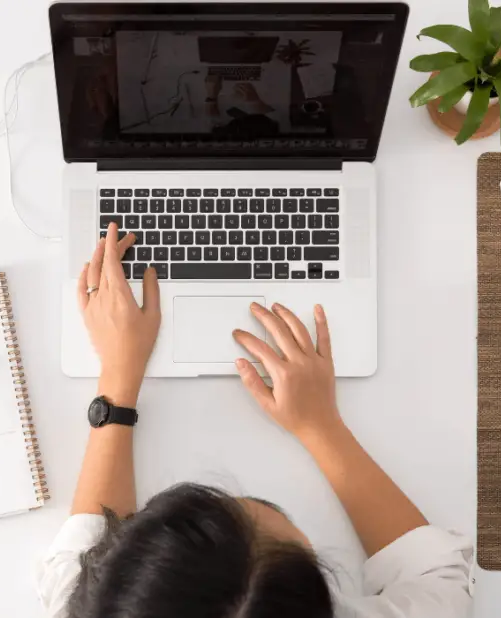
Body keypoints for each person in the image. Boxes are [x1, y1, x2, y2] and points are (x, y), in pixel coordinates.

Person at [35, 223, 472, 618]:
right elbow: (440, 578)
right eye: (301, 549)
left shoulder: (85, 605)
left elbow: (79, 560)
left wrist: (118, 371)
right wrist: (321, 427)